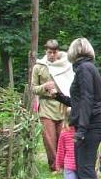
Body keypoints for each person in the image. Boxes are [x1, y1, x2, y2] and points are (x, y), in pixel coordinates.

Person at [47, 37, 101, 179]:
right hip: (89, 124)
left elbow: (88, 100)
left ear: (74, 51)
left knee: (87, 170)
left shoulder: (83, 69)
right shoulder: (87, 68)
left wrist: (81, 129)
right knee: (82, 171)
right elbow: (78, 101)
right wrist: (57, 96)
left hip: (90, 126)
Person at [31, 40, 73, 171]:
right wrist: (44, 87)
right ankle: (55, 167)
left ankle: (66, 164)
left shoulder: (65, 64)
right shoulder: (39, 66)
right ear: (45, 51)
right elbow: (33, 88)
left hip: (63, 106)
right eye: (50, 52)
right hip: (46, 106)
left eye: (55, 52)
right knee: (49, 138)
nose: (52, 55)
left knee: (63, 136)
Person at [55, 110, 83, 179]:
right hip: (69, 165)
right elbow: (61, 150)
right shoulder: (64, 133)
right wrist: (59, 164)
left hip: (81, 164)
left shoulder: (83, 132)